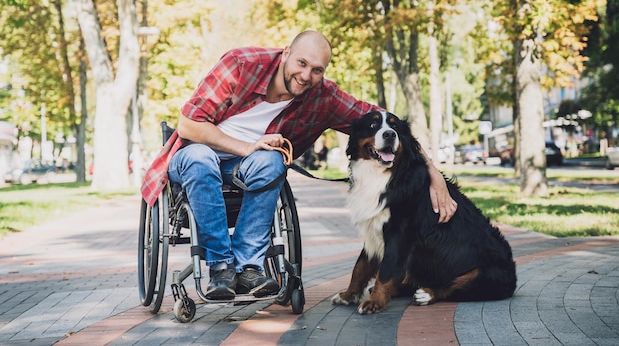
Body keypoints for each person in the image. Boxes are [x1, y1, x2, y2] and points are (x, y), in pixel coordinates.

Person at [141, 30, 457, 300]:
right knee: (201, 157)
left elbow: (388, 124)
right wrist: (246, 146)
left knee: (271, 161)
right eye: (301, 64)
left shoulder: (322, 96)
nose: (306, 76)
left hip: (248, 168)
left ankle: (249, 267)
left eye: (317, 70)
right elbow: (188, 125)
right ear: (287, 53)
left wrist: (433, 173)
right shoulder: (240, 65)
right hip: (195, 156)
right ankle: (221, 266)